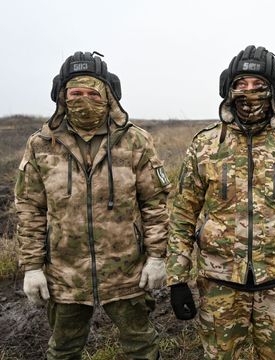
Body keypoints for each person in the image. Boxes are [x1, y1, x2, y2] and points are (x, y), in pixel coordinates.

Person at [166, 45, 275, 359]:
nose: (248, 93)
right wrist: (177, 279)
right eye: (240, 85)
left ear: (274, 90)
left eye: (258, 86)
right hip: (219, 284)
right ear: (228, 89)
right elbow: (183, 214)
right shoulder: (205, 144)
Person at [15, 51, 170, 360]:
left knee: (141, 346)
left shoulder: (134, 141)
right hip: (65, 274)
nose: (83, 100)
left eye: (92, 92)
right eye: (75, 93)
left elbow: (154, 202)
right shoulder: (41, 145)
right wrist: (32, 266)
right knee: (62, 350)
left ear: (108, 95)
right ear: (62, 95)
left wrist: (157, 257)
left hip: (127, 271)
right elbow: (30, 209)